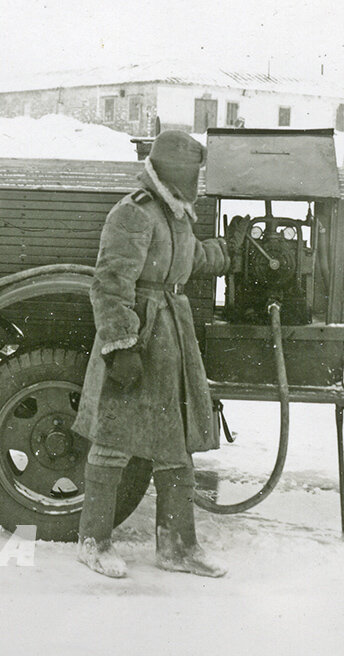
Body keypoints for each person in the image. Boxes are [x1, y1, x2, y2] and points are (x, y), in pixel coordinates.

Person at [71, 130, 231, 578]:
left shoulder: (174, 212)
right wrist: (121, 345)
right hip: (140, 339)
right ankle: (93, 542)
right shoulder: (134, 213)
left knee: (175, 444)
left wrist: (221, 253)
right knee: (114, 441)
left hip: (172, 336)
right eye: (192, 174)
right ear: (172, 172)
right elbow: (109, 283)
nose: (198, 182)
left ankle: (177, 547)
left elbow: (184, 257)